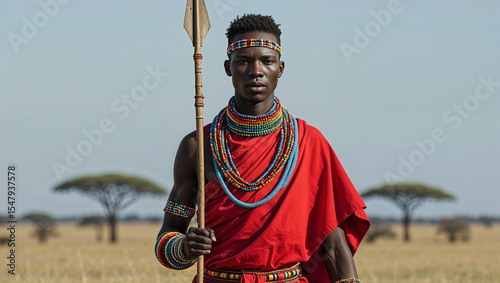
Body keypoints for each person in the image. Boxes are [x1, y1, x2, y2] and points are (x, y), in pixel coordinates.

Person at [155, 14, 370, 283]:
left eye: (267, 61)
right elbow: (167, 236)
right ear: (227, 67)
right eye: (243, 61)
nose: (255, 71)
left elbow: (334, 244)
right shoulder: (197, 145)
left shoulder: (308, 142)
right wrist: (185, 246)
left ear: (280, 68)